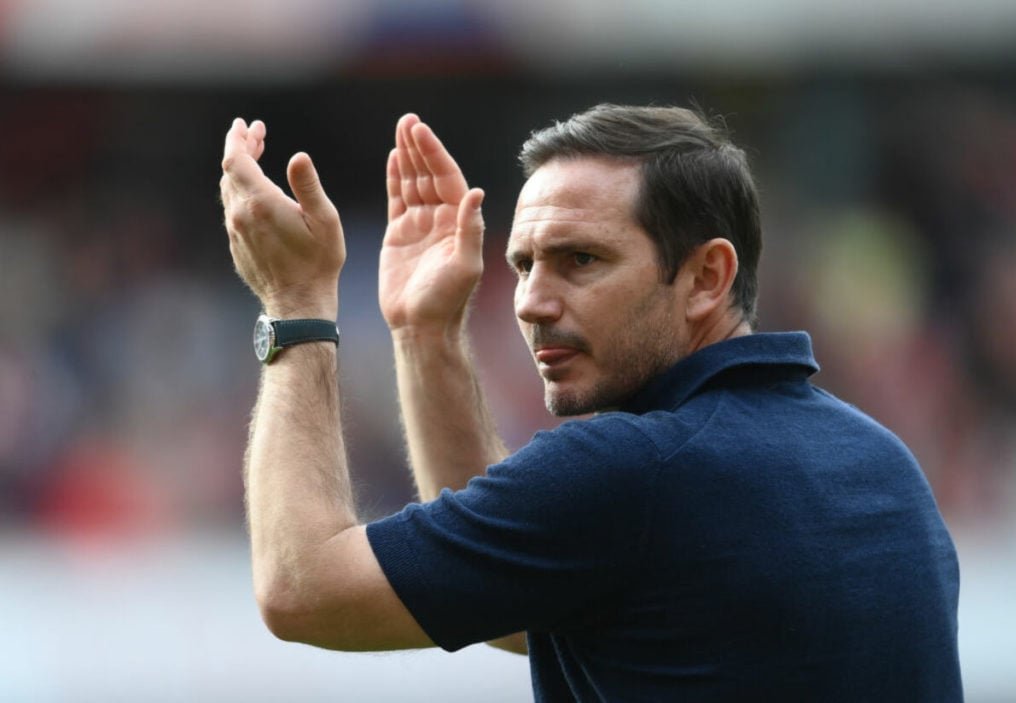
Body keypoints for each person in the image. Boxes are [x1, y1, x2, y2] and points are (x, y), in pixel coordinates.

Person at [219, 104, 963, 701]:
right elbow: (523, 591)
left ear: (706, 277)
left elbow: (301, 587)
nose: (530, 302)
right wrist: (427, 334)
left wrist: (295, 303)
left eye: (580, 259)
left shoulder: (632, 469)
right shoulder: (880, 461)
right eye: (523, 264)